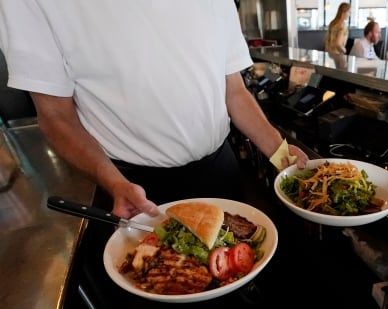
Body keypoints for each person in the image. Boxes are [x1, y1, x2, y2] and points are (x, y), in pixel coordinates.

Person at [0, 1, 308, 218]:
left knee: (241, 276)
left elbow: (234, 91)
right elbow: (56, 117)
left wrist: (282, 155)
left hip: (221, 169)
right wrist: (115, 184)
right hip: (136, 190)